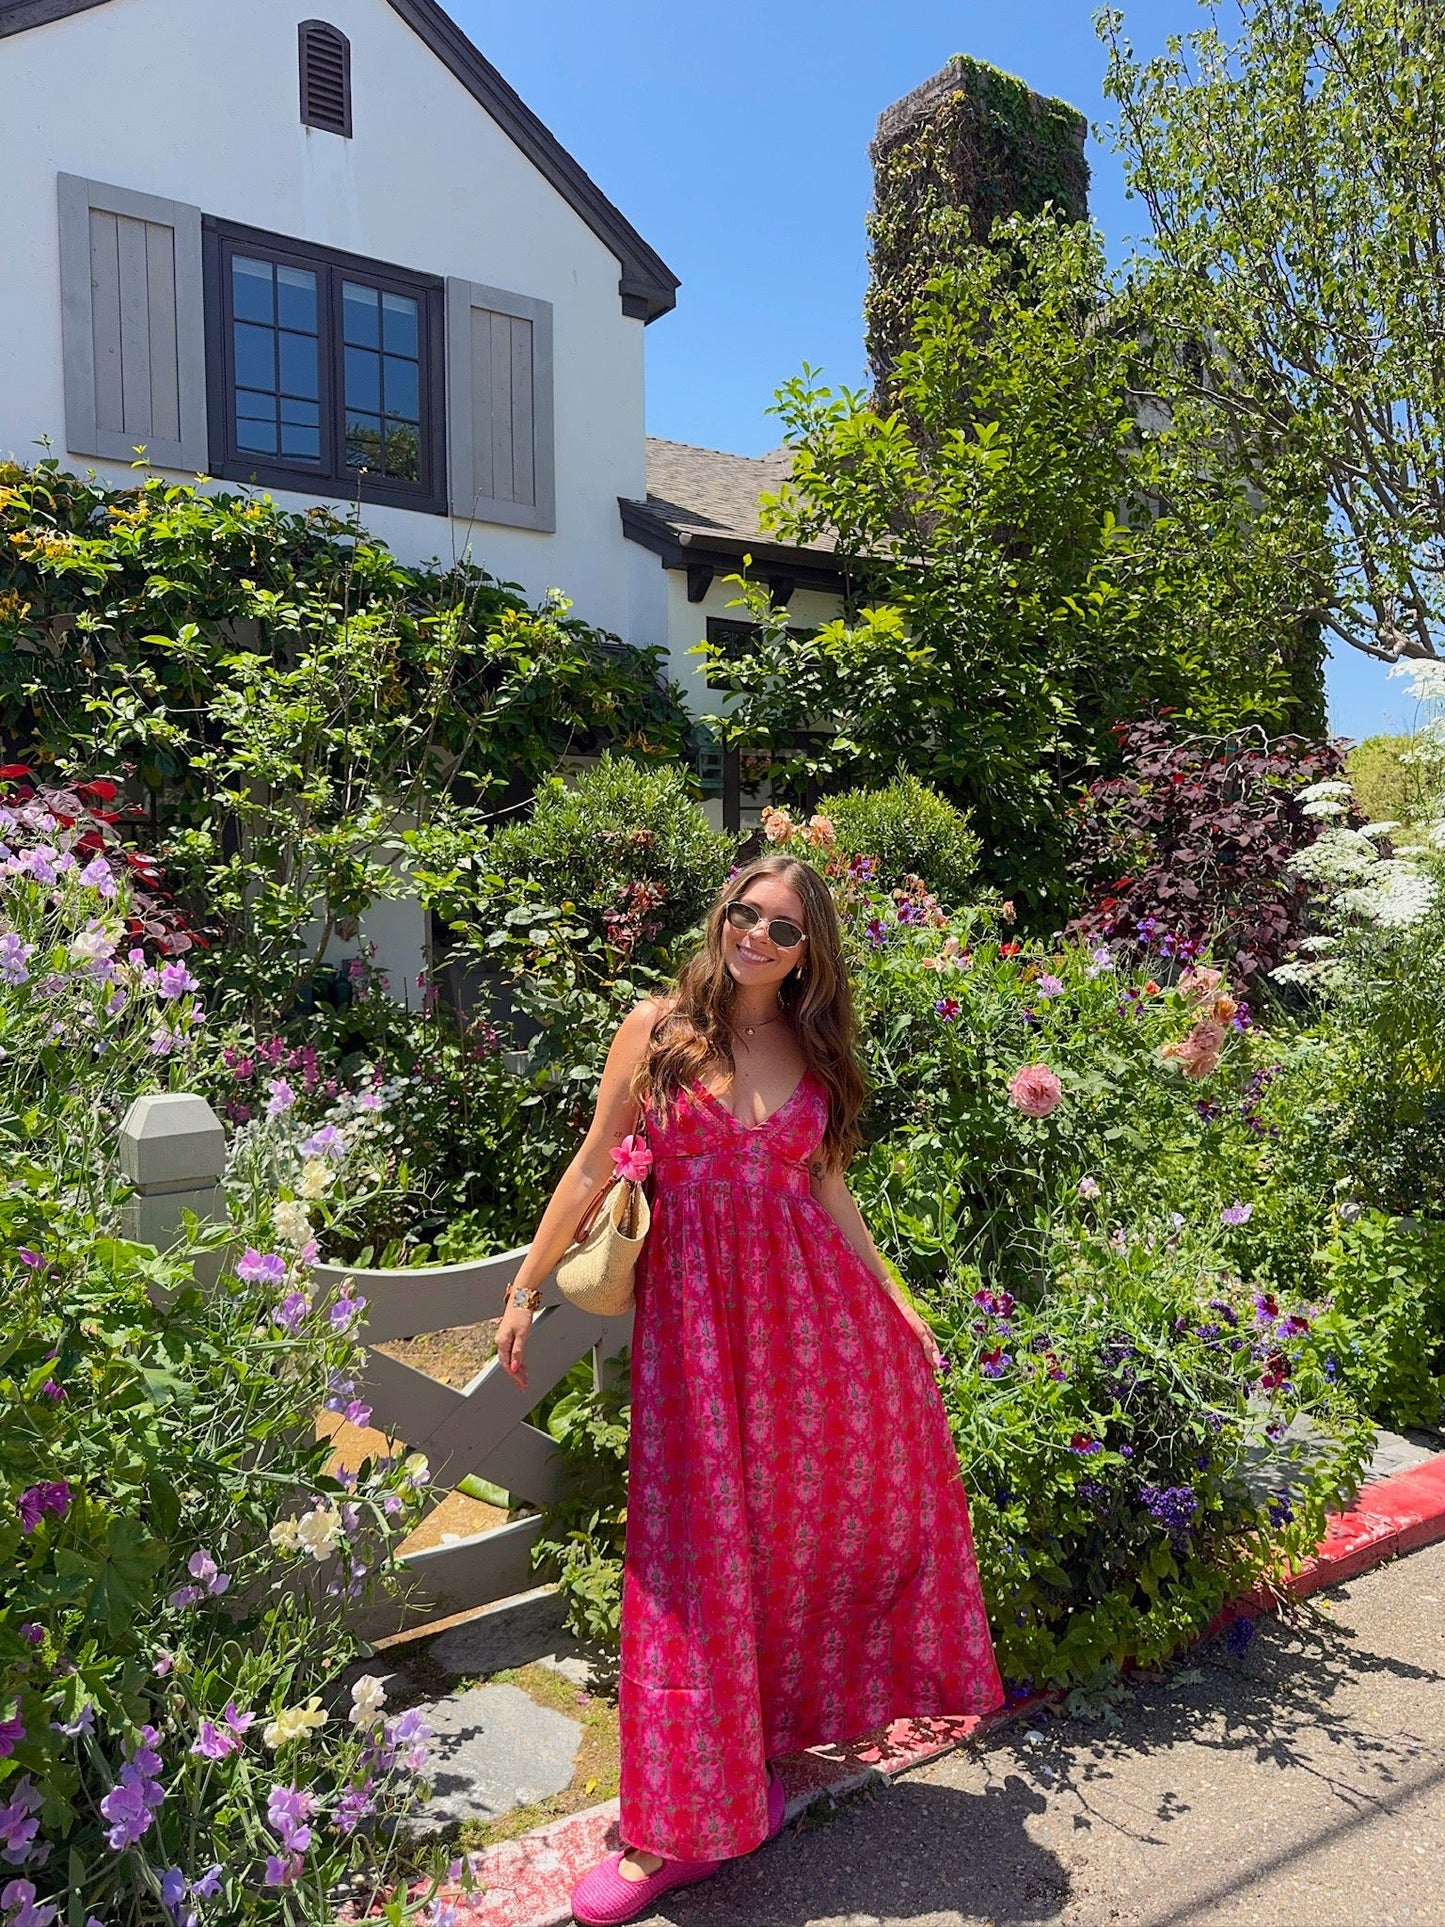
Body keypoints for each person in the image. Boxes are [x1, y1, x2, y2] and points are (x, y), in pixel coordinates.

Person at [494, 853, 1002, 1926]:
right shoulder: (660, 1032)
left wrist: (897, 1306)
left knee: (774, 1549)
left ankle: (751, 1770)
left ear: (808, 949)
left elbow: (826, 1189)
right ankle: (672, 1825)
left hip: (803, 1337)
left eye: (781, 926)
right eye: (744, 914)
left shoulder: (813, 1054)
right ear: (719, 918)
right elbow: (593, 1166)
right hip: (695, 1342)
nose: (756, 936)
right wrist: (522, 1284)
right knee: (688, 1565)